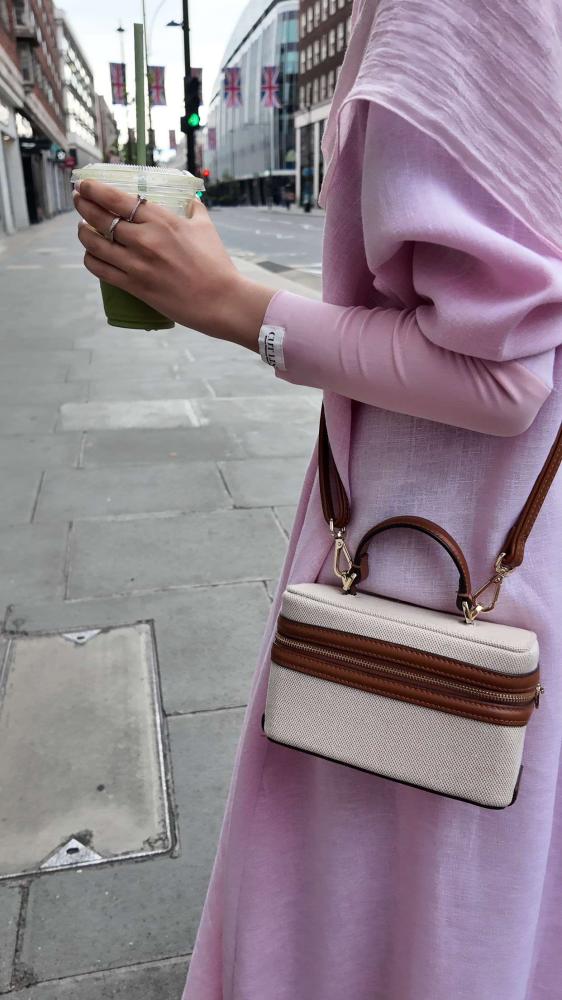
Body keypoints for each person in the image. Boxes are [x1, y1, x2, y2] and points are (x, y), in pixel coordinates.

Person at [73, 2, 562, 996]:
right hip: (504, 556)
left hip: (432, 585)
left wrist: (227, 301)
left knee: (387, 925)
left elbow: (502, 370)